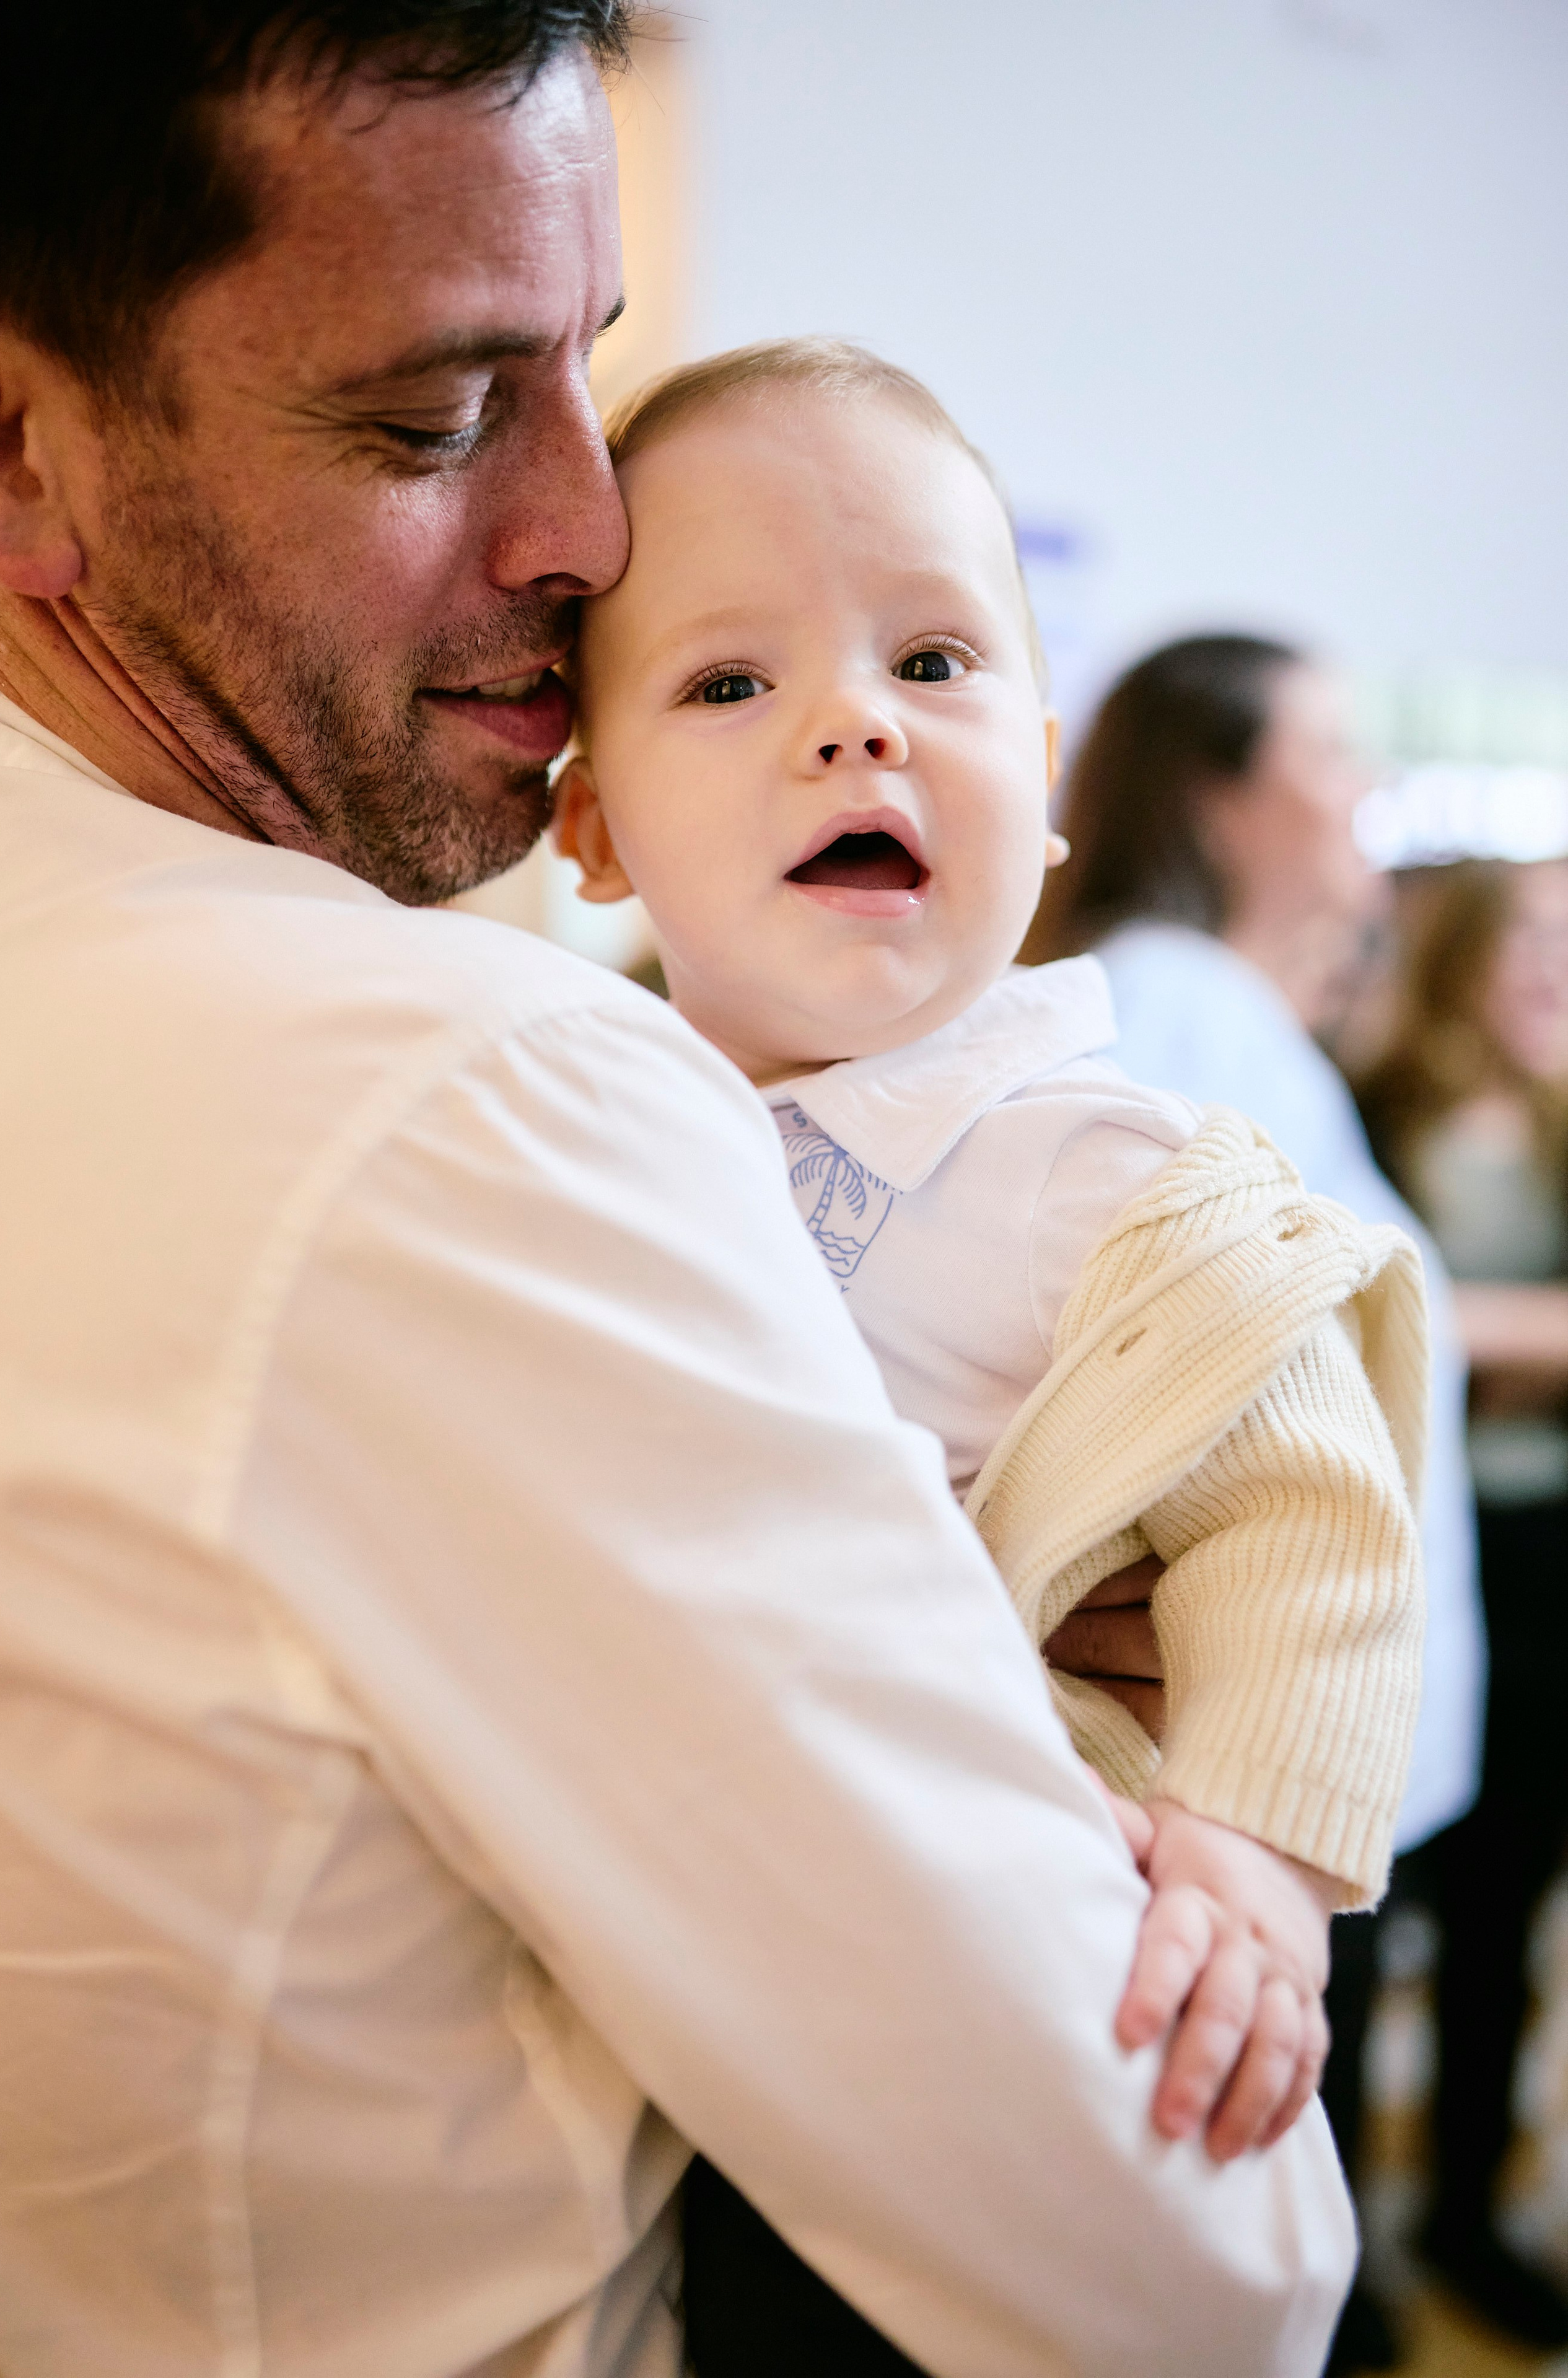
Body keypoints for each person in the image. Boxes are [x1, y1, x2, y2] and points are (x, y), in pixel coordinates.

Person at [0, 12, 1356, 2378]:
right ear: (15, 436)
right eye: (432, 416)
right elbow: (1196, 2265)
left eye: (581, 371)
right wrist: (1013, 1685)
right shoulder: (468, 1106)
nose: (588, 528)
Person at [552, 340, 1428, 2375]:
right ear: (593, 821)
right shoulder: (601, 1128)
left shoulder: (1084, 1154)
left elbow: (1312, 1517)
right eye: (732, 682)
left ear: (1041, 785)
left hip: (1005, 1931)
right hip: (694, 1936)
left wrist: (1252, 1860)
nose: (856, 722)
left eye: (934, 663)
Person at [1026, 634, 1488, 2373]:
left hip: (1299, 1772)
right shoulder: (1177, 1007)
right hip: (1243, 1793)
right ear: (1219, 787)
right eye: (1334, 746)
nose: (1368, 783)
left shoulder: (1240, 1009)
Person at [1356, 858, 1568, 2348]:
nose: (1550, 968)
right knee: (1393, 1884)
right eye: (1533, 941)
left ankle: (1461, 2212)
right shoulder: (1376, 1104)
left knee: (1510, 1899)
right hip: (1435, 1543)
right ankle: (1346, 2231)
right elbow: (1378, 1306)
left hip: (1555, 1548)